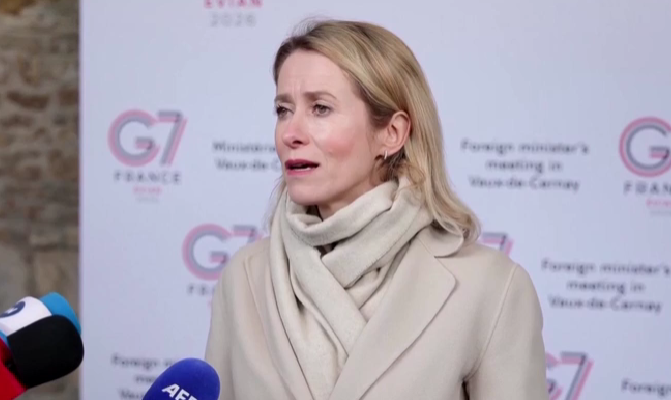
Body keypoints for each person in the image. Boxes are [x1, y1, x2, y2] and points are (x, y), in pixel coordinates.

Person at [204, 18, 547, 400]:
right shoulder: (244, 278)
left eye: (320, 108)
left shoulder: (490, 286)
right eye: (283, 110)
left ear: (392, 133)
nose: (290, 133)